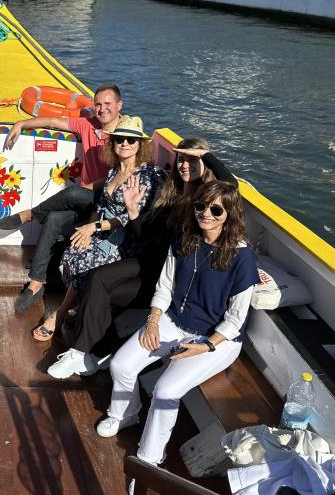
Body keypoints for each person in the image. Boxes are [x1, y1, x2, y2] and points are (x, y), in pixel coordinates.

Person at [97, 180, 258, 467]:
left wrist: (205, 346)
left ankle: (148, 463)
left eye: (216, 209)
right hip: (173, 320)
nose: (206, 213)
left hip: (217, 339)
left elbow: (235, 320)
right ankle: (125, 414)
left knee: (165, 391)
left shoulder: (241, 256)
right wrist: (154, 320)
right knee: (121, 364)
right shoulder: (185, 238)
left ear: (230, 214)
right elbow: (165, 286)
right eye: (201, 206)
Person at [48, 138, 237, 379]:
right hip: (149, 263)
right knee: (96, 278)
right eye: (181, 159)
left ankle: (91, 352)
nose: (185, 165)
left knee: (104, 287)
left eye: (192, 160)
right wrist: (134, 211)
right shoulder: (170, 194)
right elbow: (145, 238)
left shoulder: (208, 199)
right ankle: (87, 353)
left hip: (173, 277)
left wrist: (204, 154)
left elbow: (231, 184)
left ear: (204, 163)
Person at [0, 83, 124, 313]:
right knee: (54, 219)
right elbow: (54, 122)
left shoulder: (125, 137)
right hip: (87, 201)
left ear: (119, 105)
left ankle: (30, 213)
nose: (102, 109)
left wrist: (90, 186)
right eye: (98, 104)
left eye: (108, 103)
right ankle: (37, 282)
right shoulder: (89, 126)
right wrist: (21, 123)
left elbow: (123, 175)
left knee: (74, 191)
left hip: (108, 205)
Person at [34, 117, 158, 341]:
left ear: (140, 145)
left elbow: (129, 218)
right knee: (73, 249)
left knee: (85, 260)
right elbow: (101, 205)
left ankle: (58, 314)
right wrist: (87, 230)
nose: (125, 144)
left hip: (124, 238)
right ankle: (77, 304)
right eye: (120, 139)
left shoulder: (145, 176)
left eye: (131, 140)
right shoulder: (113, 171)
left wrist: (94, 227)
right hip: (102, 230)